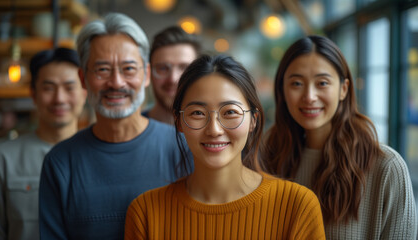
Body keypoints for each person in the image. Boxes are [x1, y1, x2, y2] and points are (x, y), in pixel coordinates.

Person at [125, 54, 326, 240]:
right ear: (179, 122)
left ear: (253, 121)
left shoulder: (297, 206)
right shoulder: (145, 213)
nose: (214, 130)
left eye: (230, 112)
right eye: (197, 113)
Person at [39, 13, 188, 240]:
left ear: (146, 74)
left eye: (128, 68)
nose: (117, 82)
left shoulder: (183, 149)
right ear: (83, 78)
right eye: (102, 70)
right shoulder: (60, 162)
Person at [261, 35, 417, 239]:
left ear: (343, 89)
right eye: (297, 83)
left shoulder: (386, 167)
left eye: (322, 83)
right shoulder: (266, 157)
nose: (309, 96)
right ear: (282, 89)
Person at [0, 47, 87, 240]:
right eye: (48, 88)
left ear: (85, 92)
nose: (59, 99)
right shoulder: (3, 158)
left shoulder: (99, 154)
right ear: (33, 93)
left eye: (69, 87)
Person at [142, 26, 201, 125]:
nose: (173, 79)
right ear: (149, 73)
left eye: (184, 68)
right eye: (163, 68)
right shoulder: (130, 132)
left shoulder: (212, 132)